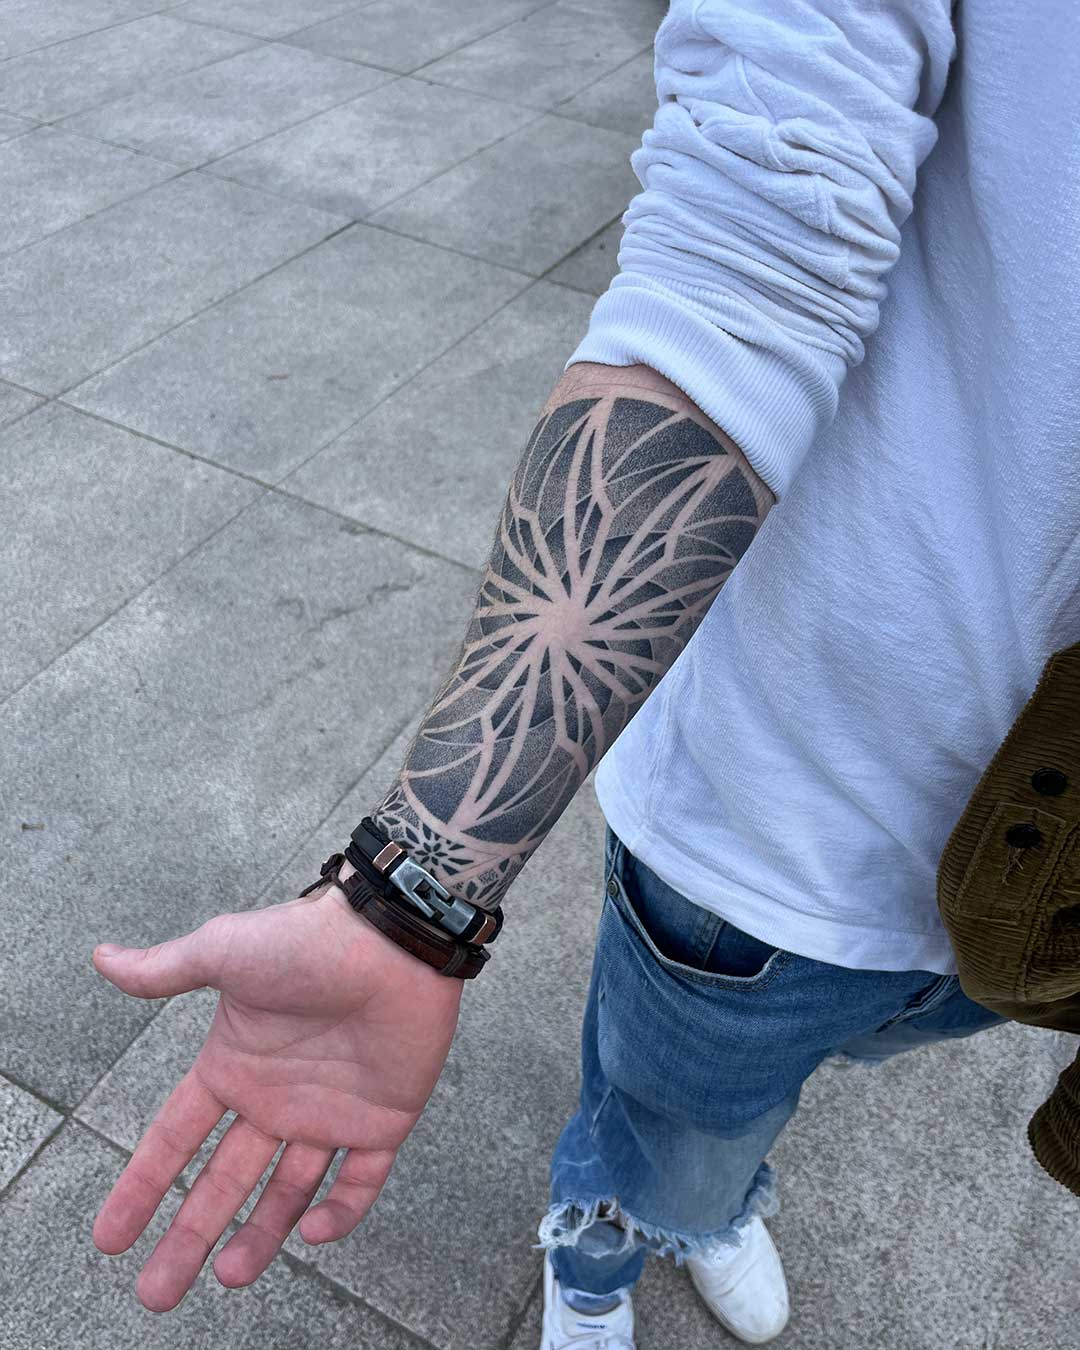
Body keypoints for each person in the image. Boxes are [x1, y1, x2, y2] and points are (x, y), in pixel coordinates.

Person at [89, 0, 1079, 1344]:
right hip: (776, 829)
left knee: (779, 1093)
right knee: (664, 1125)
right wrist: (407, 901)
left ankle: (704, 1192)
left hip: (1043, 921)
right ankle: (605, 1244)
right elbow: (751, 254)